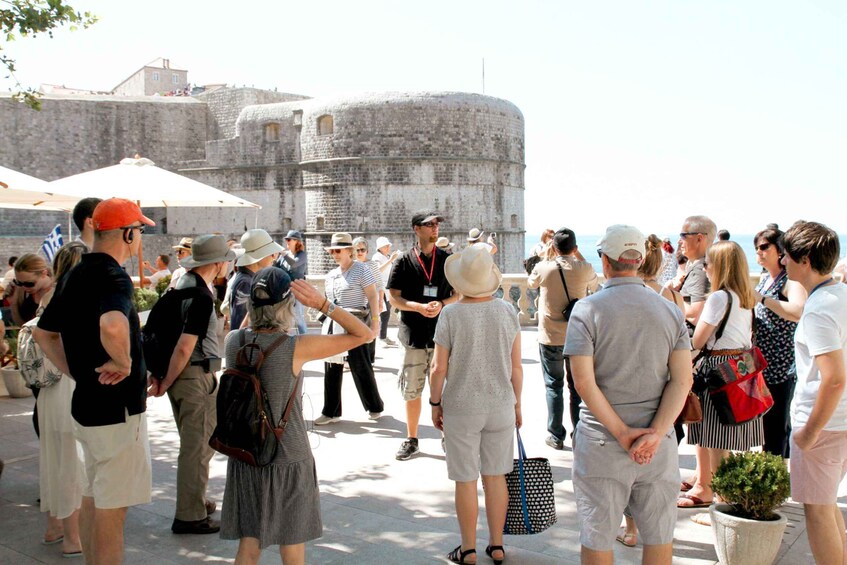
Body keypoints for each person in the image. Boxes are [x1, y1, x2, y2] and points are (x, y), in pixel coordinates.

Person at [221, 267, 372, 565]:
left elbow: (253, 330)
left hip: (246, 454)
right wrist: (323, 304)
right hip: (287, 455)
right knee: (292, 550)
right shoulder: (294, 347)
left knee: (248, 549)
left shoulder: (233, 341)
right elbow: (364, 334)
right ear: (289, 304)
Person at [35, 198, 154, 564]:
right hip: (116, 411)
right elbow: (112, 324)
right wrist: (124, 359)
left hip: (87, 405)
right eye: (139, 231)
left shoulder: (75, 273)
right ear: (128, 233)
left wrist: (75, 370)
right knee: (112, 509)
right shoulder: (113, 275)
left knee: (94, 496)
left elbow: (45, 334)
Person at [565, 225, 691, 565]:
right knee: (659, 538)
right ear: (640, 261)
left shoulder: (587, 310)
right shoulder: (670, 310)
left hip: (603, 441)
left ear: (605, 262)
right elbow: (682, 381)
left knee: (598, 537)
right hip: (657, 444)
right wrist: (655, 433)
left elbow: (583, 384)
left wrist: (623, 434)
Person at [429, 244, 522, 565]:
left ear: (460, 283)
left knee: (465, 479)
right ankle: (497, 545)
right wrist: (518, 405)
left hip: (461, 406)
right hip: (500, 404)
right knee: (495, 477)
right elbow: (517, 366)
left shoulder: (451, 314)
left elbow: (438, 367)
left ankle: (467, 549)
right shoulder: (507, 310)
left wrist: (434, 402)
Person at [149, 234, 235, 534]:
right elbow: (185, 346)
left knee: (196, 445)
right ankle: (190, 516)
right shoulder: (199, 296)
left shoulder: (180, 286)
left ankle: (195, 500)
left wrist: (162, 377)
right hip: (194, 375)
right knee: (196, 449)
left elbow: (162, 333)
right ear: (217, 262)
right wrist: (165, 381)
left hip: (181, 377)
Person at [679, 241, 763, 516]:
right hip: (739, 368)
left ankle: (720, 503)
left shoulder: (719, 298)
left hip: (717, 370)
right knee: (719, 438)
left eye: (708, 263)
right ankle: (708, 489)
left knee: (714, 438)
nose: (705, 268)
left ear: (719, 266)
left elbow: (700, 339)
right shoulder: (745, 297)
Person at [781, 221, 847, 565]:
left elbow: (834, 378)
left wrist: (810, 432)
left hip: (823, 425)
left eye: (787, 256)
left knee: (817, 513)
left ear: (804, 259)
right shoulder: (840, 296)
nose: (782, 262)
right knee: (827, 506)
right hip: (839, 423)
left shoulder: (819, 309)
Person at [620, 233, 687, 547]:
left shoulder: (625, 295)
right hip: (662, 389)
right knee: (656, 466)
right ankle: (658, 532)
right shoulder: (671, 296)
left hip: (628, 387)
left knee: (627, 466)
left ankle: (631, 529)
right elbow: (681, 341)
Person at [388, 211, 457, 460]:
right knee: (412, 389)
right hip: (413, 336)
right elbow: (393, 296)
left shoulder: (447, 260)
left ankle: (446, 436)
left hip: (442, 336)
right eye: (430, 224)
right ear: (417, 229)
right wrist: (417, 306)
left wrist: (441, 304)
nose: (435, 227)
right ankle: (412, 438)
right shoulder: (404, 261)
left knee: (444, 390)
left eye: (437, 223)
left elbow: (458, 294)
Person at [34, 242, 86, 558]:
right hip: (68, 384)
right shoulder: (76, 299)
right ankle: (72, 537)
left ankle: (54, 527)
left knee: (54, 457)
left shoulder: (49, 297)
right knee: (71, 462)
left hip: (49, 390)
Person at [526, 227, 599, 450]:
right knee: (577, 387)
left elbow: (531, 283)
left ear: (553, 247)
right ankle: (579, 432)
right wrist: (576, 255)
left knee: (553, 386)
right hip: (577, 336)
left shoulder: (544, 267)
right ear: (575, 248)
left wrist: (549, 254)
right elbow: (594, 284)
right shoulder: (583, 268)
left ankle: (556, 435)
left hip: (550, 337)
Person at [315, 233, 382, 424]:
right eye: (332, 251)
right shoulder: (331, 275)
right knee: (331, 365)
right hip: (334, 323)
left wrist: (375, 322)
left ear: (348, 251)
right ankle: (331, 411)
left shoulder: (361, 270)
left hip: (356, 323)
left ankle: (374, 405)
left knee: (360, 365)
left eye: (338, 250)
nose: (334, 254)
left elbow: (372, 296)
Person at [751, 226, 806, 458]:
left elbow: (797, 311)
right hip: (762, 364)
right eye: (756, 248)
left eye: (764, 247)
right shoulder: (765, 279)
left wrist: (762, 299)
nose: (759, 252)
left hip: (782, 366)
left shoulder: (789, 281)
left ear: (779, 250)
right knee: (765, 426)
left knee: (777, 427)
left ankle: (776, 481)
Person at [229, 229, 284, 331]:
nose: (274, 258)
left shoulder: (248, 280)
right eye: (271, 253)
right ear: (259, 255)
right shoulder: (245, 283)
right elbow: (241, 328)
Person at [675, 215, 716, 329]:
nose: (679, 241)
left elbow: (697, 314)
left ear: (699, 238)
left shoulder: (700, 270)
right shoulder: (700, 265)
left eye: (683, 236)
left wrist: (670, 295)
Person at [353, 236, 384, 360]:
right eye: (357, 250)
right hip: (355, 303)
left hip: (371, 304)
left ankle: (370, 359)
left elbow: (380, 285)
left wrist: (380, 302)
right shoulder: (350, 265)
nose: (360, 252)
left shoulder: (372, 265)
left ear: (367, 251)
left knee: (372, 329)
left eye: (362, 250)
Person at [276, 230, 309, 335]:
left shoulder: (302, 255)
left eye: (289, 239)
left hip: (298, 289)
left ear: (296, 241)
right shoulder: (283, 256)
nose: (287, 241)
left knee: (298, 316)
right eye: (286, 239)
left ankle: (304, 339)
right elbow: (275, 268)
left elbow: (294, 265)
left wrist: (284, 254)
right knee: (282, 315)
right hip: (285, 289)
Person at [372, 236, 401, 346]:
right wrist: (391, 260)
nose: (389, 247)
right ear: (382, 247)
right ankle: (381, 337)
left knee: (386, 313)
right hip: (380, 288)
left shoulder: (386, 256)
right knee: (384, 313)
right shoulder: (377, 257)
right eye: (387, 246)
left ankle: (382, 336)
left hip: (387, 289)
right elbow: (378, 271)